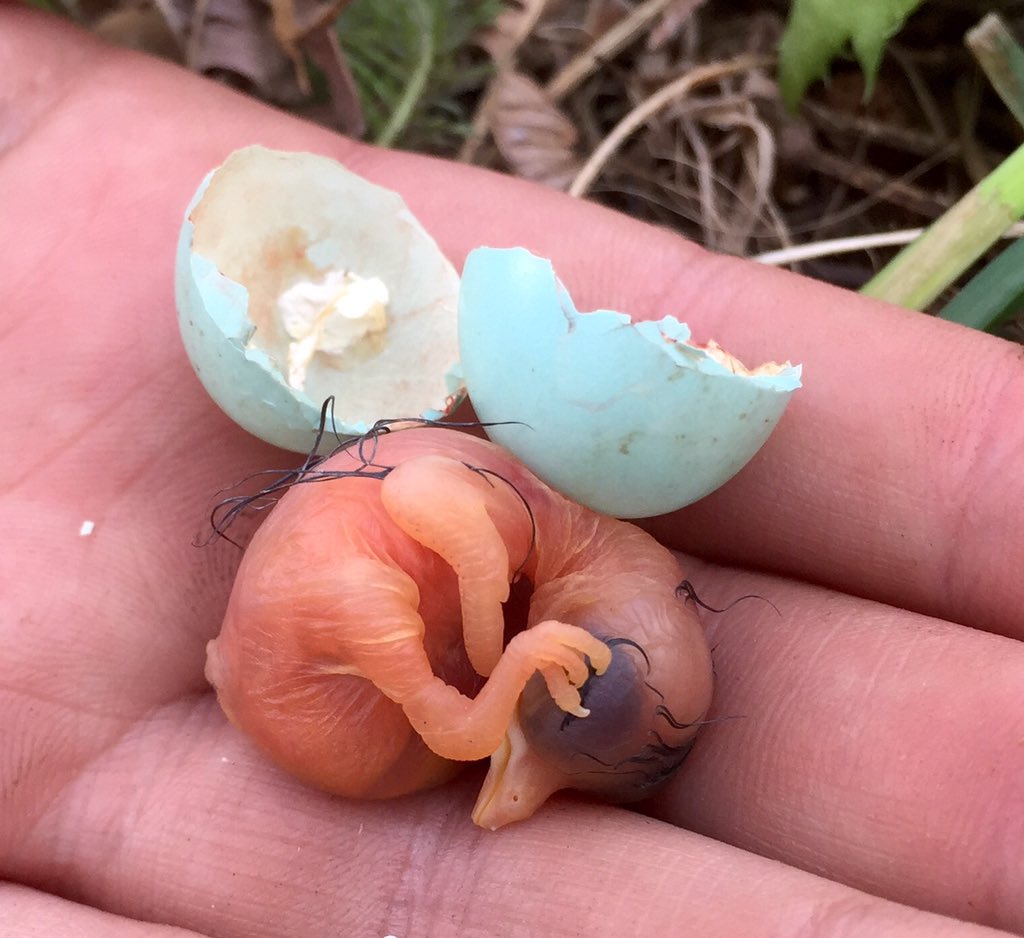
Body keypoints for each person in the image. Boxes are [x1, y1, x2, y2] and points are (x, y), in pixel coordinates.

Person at [2, 9, 1021, 937]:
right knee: (414, 663)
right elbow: (421, 498)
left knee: (406, 650)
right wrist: (493, 648)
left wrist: (498, 655)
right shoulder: (515, 538)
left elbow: (428, 516)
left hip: (333, 686)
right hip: (330, 694)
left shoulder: (533, 539)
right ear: (591, 625)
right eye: (560, 693)